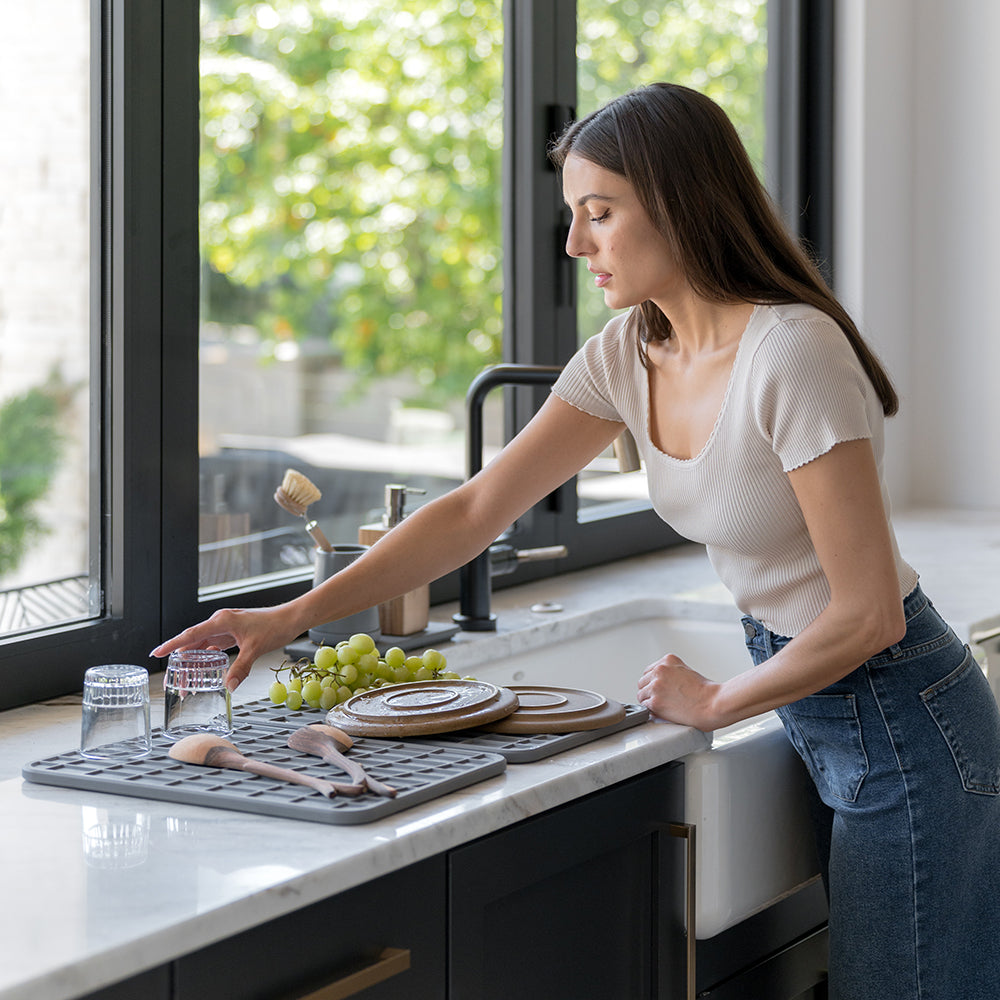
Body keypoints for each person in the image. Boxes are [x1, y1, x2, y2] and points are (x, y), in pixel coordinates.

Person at [153, 83, 1000, 998]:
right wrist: (292, 615)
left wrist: (717, 700)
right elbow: (477, 510)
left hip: (903, 716)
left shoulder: (792, 353)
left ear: (681, 202)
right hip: (821, 700)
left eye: (600, 213)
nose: (574, 245)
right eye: (573, 215)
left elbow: (869, 614)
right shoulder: (627, 353)